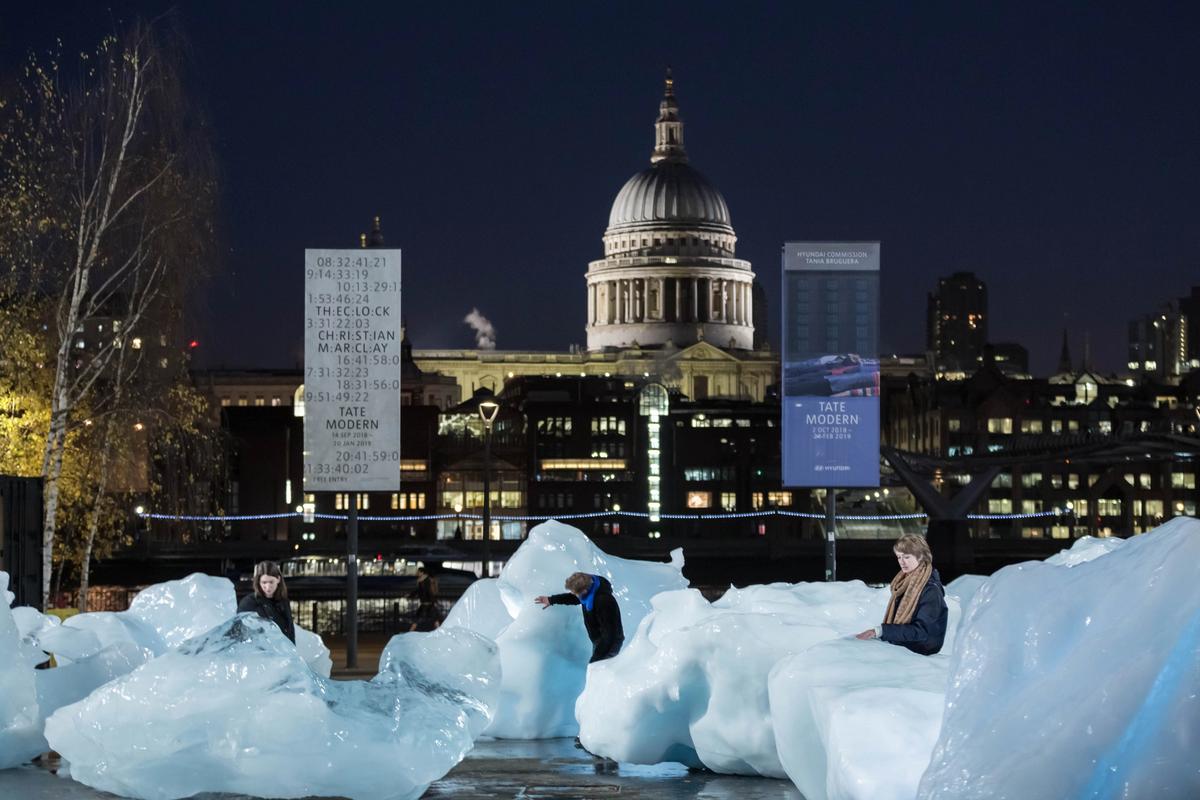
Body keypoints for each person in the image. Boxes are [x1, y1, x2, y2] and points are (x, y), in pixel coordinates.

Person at [856, 533, 948, 655]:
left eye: (907, 557)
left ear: (920, 557)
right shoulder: (905, 583)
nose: (902, 562)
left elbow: (922, 632)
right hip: (904, 647)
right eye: (899, 557)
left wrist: (881, 631)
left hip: (919, 653)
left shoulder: (931, 590)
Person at [535, 572, 624, 663]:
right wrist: (551, 600)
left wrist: (596, 659)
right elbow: (573, 598)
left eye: (576, 593)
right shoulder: (590, 589)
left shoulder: (604, 602)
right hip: (600, 640)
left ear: (584, 591)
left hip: (610, 644)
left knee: (598, 674)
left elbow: (610, 635)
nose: (574, 595)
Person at [238, 560, 296, 643]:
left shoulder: (284, 601)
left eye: (271, 582)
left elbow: (290, 631)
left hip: (283, 651)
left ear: (278, 579)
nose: (268, 587)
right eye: (264, 582)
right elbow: (241, 633)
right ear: (258, 582)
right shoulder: (248, 603)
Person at [409, 565, 442, 632]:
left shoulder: (424, 581)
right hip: (428, 603)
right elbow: (421, 591)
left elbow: (424, 591)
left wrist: (411, 595)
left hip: (427, 603)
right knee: (435, 618)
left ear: (422, 573)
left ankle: (410, 632)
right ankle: (439, 631)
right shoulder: (424, 580)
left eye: (418, 572)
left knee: (418, 617)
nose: (416, 573)